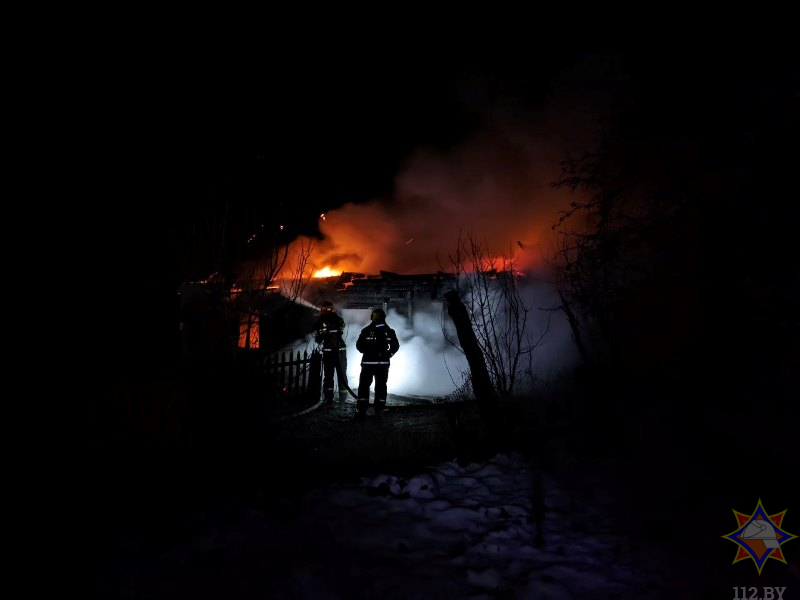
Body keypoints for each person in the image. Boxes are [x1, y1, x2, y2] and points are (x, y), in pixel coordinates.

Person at [355, 308, 400, 418]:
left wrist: (368, 351)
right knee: (380, 387)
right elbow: (395, 346)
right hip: (382, 365)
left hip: (368, 364)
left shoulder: (366, 330)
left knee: (364, 386)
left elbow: (359, 346)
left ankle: (362, 410)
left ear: (372, 318)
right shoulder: (388, 331)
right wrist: (388, 354)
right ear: (384, 318)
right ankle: (379, 410)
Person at [314, 301, 349, 403]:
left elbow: (319, 339)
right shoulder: (338, 320)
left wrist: (319, 333)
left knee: (329, 375)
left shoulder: (322, 321)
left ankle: (329, 398)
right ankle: (342, 399)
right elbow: (341, 329)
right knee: (341, 375)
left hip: (330, 352)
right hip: (340, 351)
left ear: (323, 310)